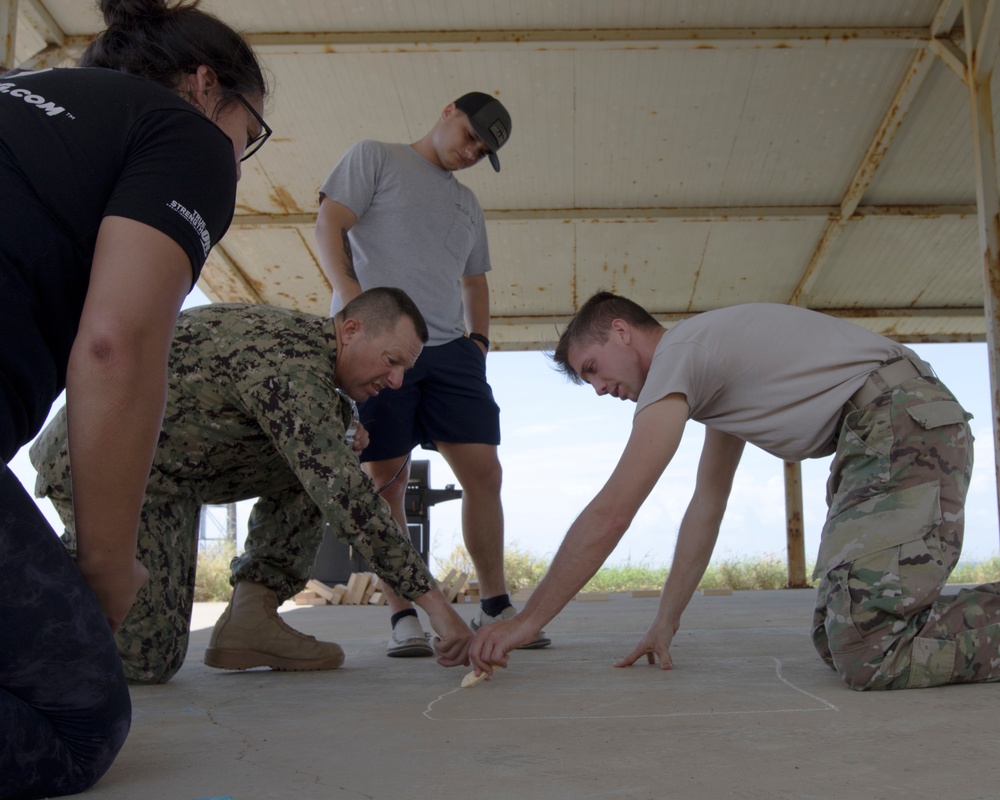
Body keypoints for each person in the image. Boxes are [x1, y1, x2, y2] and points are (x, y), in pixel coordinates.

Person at [0, 0, 271, 795]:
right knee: (76, 722)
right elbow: (117, 345)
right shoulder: (181, 135)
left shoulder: (18, 94)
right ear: (202, 85)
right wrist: (108, 563)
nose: (240, 157)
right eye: (249, 133)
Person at [471, 291, 1000, 691]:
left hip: (899, 422)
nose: (601, 389)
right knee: (836, 635)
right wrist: (665, 621)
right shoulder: (710, 370)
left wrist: (526, 621)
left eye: (593, 369)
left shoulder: (683, 352)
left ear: (621, 331)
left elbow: (615, 510)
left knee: (869, 649)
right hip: (881, 431)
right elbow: (707, 504)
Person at [30, 290, 474, 686]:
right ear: (351, 329)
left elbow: (311, 429)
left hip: (166, 478)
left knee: (325, 447)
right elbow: (348, 498)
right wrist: (438, 608)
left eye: (404, 369)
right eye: (391, 361)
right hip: (100, 469)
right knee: (142, 660)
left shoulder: (308, 363)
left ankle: (251, 619)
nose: (396, 381)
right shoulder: (288, 360)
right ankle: (23, 594)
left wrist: (344, 423)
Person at [314, 91, 550, 657]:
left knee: (484, 473)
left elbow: (475, 282)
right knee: (385, 480)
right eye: (470, 135)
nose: (471, 151)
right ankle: (404, 615)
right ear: (448, 111)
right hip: (377, 342)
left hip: (449, 351)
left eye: (482, 150)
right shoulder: (375, 157)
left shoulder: (468, 204)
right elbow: (329, 223)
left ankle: (495, 603)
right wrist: (351, 301)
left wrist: (480, 344)